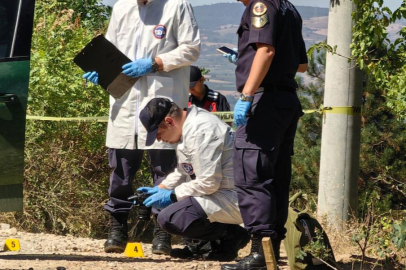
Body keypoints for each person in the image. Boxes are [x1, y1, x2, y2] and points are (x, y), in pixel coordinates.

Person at [82, 0, 200, 254]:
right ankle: (117, 229)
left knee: (166, 172)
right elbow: (109, 51)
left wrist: (155, 62)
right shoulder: (121, 7)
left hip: (161, 104)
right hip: (123, 103)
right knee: (120, 172)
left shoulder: (177, 5)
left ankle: (163, 232)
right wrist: (99, 70)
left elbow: (192, 50)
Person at [221, 0, 308, 269]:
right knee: (276, 177)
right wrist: (247, 59)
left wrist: (247, 92)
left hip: (265, 101)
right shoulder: (288, 8)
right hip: (286, 100)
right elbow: (301, 65)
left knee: (253, 174)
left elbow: (266, 50)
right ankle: (270, 251)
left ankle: (259, 251)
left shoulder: (260, 5)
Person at [136, 97, 250, 261]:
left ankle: (233, 235)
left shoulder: (200, 130)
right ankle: (208, 246)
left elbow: (208, 182)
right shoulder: (189, 125)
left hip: (236, 197)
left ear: (169, 121)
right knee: (184, 203)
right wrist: (161, 188)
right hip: (222, 192)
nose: (159, 139)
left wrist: (172, 195)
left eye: (158, 133)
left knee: (171, 218)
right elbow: (184, 171)